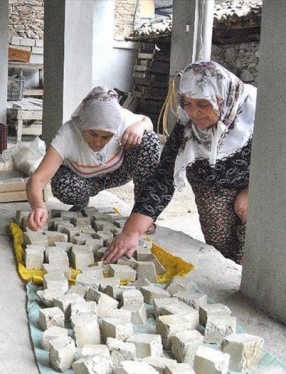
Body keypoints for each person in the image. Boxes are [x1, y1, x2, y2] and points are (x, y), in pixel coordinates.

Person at [103, 61, 255, 265]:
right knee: (222, 249)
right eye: (187, 103)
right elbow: (164, 178)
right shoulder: (186, 130)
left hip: (260, 185)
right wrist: (132, 231)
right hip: (210, 186)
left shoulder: (258, 119)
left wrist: (253, 189)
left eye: (203, 104)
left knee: (254, 243)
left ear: (222, 98)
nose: (194, 113)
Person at [26, 86, 160, 232]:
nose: (98, 142)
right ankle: (81, 201)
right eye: (92, 134)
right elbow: (37, 179)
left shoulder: (122, 120)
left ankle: (141, 215)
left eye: (106, 137)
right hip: (82, 181)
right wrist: (38, 206)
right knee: (63, 183)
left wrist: (140, 126)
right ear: (83, 125)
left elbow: (146, 121)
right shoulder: (68, 133)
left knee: (148, 140)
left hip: (116, 174)